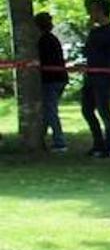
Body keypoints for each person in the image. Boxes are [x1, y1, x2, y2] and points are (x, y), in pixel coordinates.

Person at [80, 0, 110, 159]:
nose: (91, 14)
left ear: (101, 11)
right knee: (87, 110)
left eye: (94, 10)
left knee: (104, 110)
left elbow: (104, 49)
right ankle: (98, 143)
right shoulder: (94, 31)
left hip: (104, 75)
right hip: (91, 74)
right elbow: (87, 50)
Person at [36, 13, 68, 152]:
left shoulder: (44, 41)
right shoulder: (50, 39)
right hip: (57, 78)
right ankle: (41, 137)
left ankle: (59, 142)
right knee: (47, 110)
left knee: (50, 110)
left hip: (51, 80)